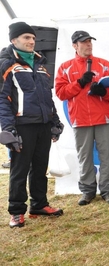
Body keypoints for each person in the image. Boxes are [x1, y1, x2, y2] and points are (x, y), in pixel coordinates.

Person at [0, 21, 64, 228]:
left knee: (40, 167)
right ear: (14, 40)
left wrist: (55, 121)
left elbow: (47, 97)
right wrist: (8, 129)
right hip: (22, 125)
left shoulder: (41, 64)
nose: (31, 41)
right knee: (19, 170)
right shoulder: (7, 64)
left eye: (33, 38)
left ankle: (39, 204)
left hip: (43, 125)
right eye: (27, 37)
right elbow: (2, 99)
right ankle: (16, 211)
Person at [55, 30, 109, 205]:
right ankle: (87, 191)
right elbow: (60, 93)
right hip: (81, 119)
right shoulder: (65, 67)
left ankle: (107, 191)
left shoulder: (105, 65)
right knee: (84, 157)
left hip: (103, 118)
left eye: (90, 41)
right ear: (75, 46)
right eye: (84, 42)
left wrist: (103, 91)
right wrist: (80, 83)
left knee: (106, 156)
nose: (88, 44)